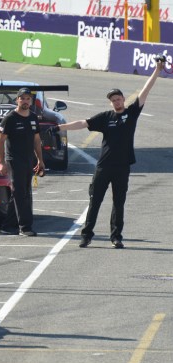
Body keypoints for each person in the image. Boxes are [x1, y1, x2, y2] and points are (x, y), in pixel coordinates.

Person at [54, 59, 164, 249]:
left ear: (123, 99)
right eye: (113, 100)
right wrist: (59, 127)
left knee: (118, 203)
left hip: (122, 167)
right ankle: (86, 235)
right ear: (111, 102)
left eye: (118, 98)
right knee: (94, 201)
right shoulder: (106, 117)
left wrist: (156, 70)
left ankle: (116, 237)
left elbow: (145, 91)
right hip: (103, 166)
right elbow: (83, 123)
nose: (116, 101)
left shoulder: (132, 113)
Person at [0, 87, 45, 237]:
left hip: (28, 160)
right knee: (21, 193)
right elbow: (0, 140)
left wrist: (40, 160)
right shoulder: (10, 118)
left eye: (27, 99)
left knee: (19, 192)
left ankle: (8, 225)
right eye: (22, 98)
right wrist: (2, 162)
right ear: (17, 100)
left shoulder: (33, 117)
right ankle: (25, 227)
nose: (25, 101)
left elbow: (37, 140)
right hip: (14, 160)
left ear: (31, 101)